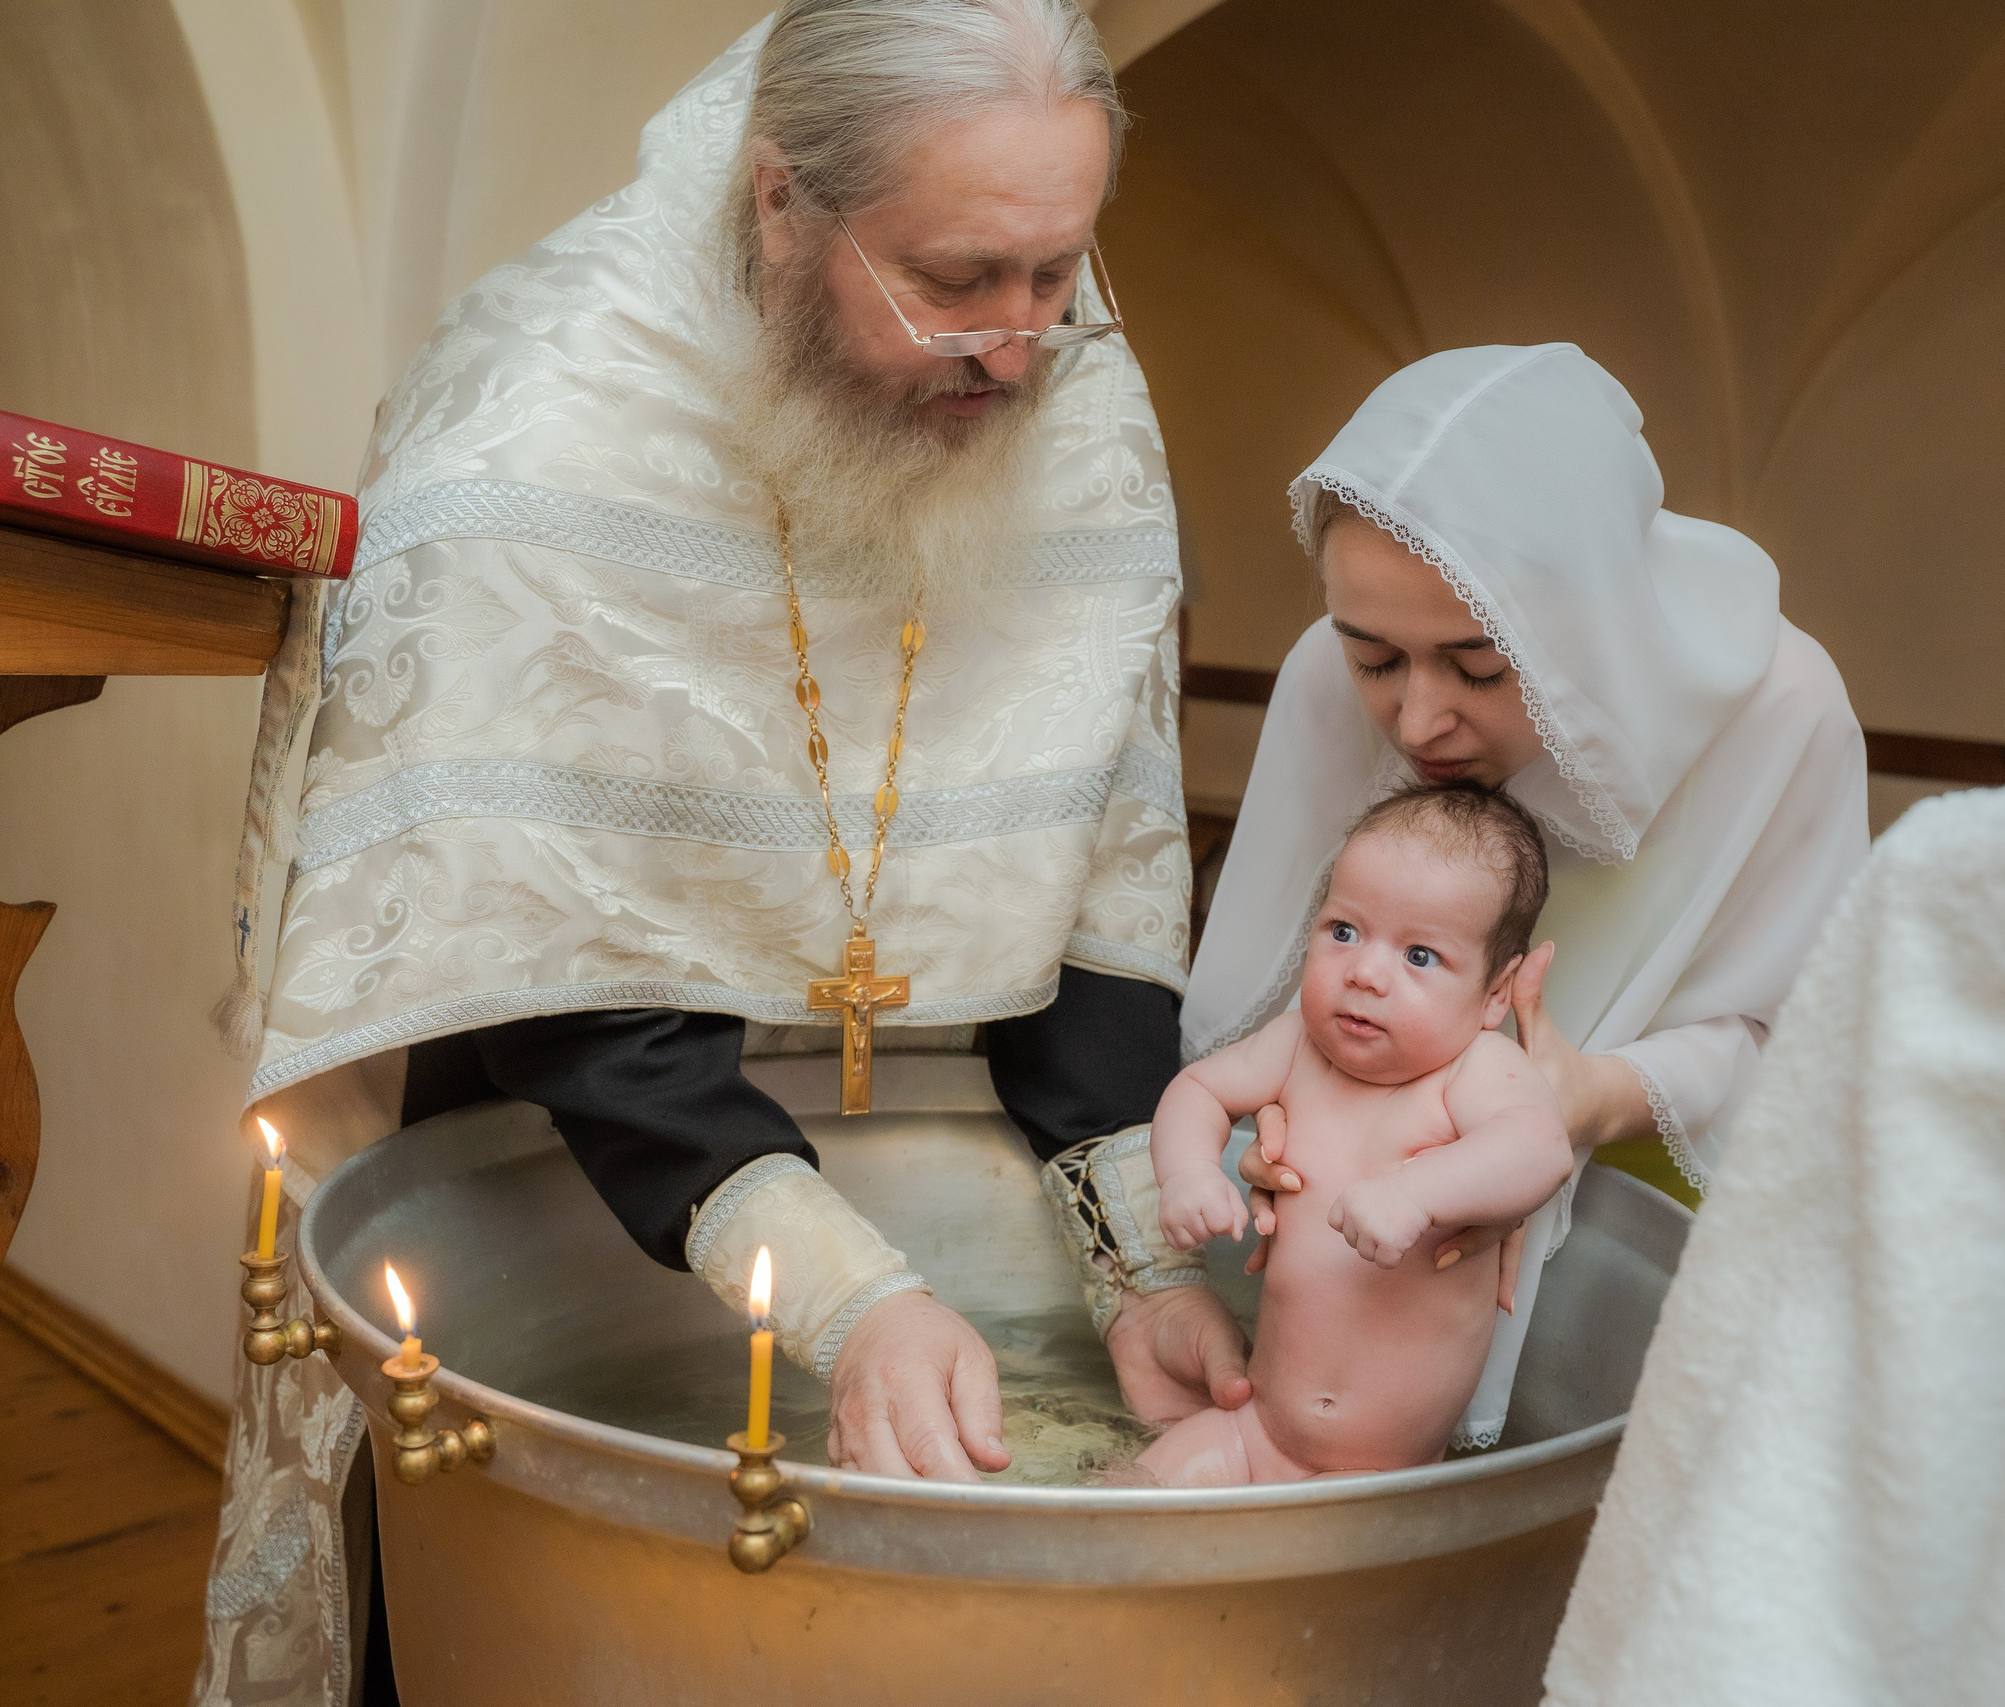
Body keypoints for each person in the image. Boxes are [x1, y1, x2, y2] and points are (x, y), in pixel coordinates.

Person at [199, 5, 1232, 1701]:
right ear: (780, 207)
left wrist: (1137, 1261)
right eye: (959, 278)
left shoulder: (1080, 409)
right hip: (573, 1156)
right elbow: (533, 921)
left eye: (1057, 272)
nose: (1021, 344)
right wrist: (846, 1294)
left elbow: (1092, 862)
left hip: (931, 1128)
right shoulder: (542, 419)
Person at [1041, 344, 1871, 1453]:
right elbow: (1270, 987)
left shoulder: (1779, 714)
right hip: (1333, 1254)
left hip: (1654, 1204)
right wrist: (1281, 1115)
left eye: (1480, 669)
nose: (1418, 721)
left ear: (1592, 619)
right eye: (1374, 659)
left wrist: (1589, 1097)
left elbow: (1806, 1046)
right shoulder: (1320, 677)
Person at [1137, 784, 1570, 1486]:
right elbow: (1199, 1089)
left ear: (1496, 994)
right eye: (1344, 930)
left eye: (1420, 956)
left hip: (1385, 1477)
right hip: (1256, 1431)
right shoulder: (1299, 1042)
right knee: (1131, 1499)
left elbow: (1539, 1148)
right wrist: (1188, 1172)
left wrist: (1419, 1190)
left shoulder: (1477, 1070)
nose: (1364, 973)